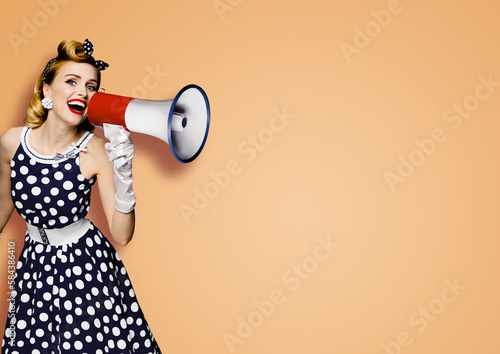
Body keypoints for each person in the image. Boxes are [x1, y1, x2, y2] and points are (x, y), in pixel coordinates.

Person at [0, 39, 162, 353]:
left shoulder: (96, 150)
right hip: (34, 265)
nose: (83, 92)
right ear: (46, 91)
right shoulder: (11, 142)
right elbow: (3, 207)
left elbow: (122, 235)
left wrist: (125, 175)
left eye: (91, 86)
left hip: (85, 265)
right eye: (71, 82)